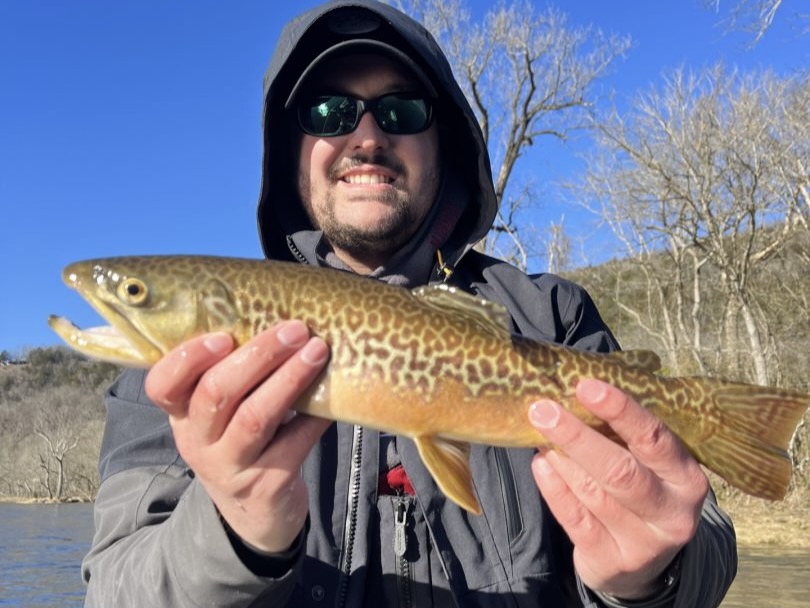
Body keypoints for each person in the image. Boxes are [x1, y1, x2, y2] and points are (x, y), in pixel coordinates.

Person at [82, 1, 737, 606]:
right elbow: (114, 590)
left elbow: (701, 532)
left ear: (443, 141)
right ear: (291, 151)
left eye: (400, 111)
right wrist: (232, 534)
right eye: (328, 113)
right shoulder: (175, 385)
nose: (366, 136)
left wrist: (652, 579)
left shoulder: (553, 315)